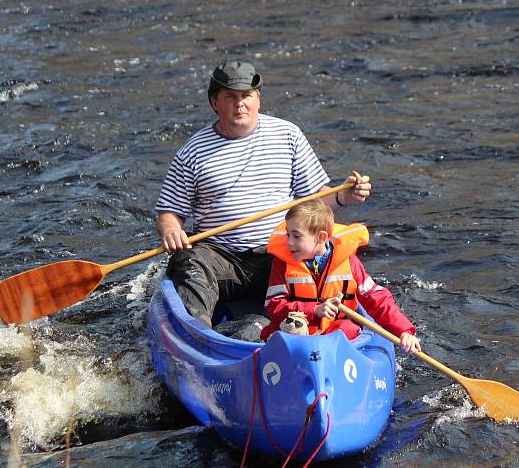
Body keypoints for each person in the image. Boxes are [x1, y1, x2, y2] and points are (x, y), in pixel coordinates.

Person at [155, 60, 371, 327]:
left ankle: (316, 325)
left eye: (247, 96)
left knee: (321, 252)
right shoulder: (193, 152)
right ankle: (199, 337)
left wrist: (343, 197)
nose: (239, 104)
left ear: (258, 99)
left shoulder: (288, 135)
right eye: (230, 97)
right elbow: (169, 214)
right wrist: (171, 231)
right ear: (215, 103)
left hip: (279, 253)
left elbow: (315, 199)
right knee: (188, 261)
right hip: (222, 257)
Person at [260, 199, 421, 353]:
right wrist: (314, 310)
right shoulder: (282, 264)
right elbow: (274, 305)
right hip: (295, 329)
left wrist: (404, 330)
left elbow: (377, 299)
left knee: (348, 329)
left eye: (297, 236)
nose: (289, 242)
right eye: (288, 235)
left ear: (321, 237)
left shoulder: (349, 263)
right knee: (275, 335)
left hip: (333, 330)